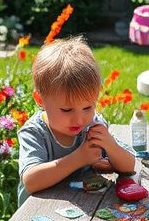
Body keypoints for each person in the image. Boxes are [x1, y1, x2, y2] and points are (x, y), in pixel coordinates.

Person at [18, 36, 135, 204]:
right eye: (67, 110)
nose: (79, 119)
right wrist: (79, 158)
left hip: (78, 208)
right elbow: (30, 181)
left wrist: (110, 145)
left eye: (88, 107)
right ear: (40, 99)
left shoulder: (92, 124)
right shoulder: (36, 132)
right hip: (35, 216)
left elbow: (129, 166)